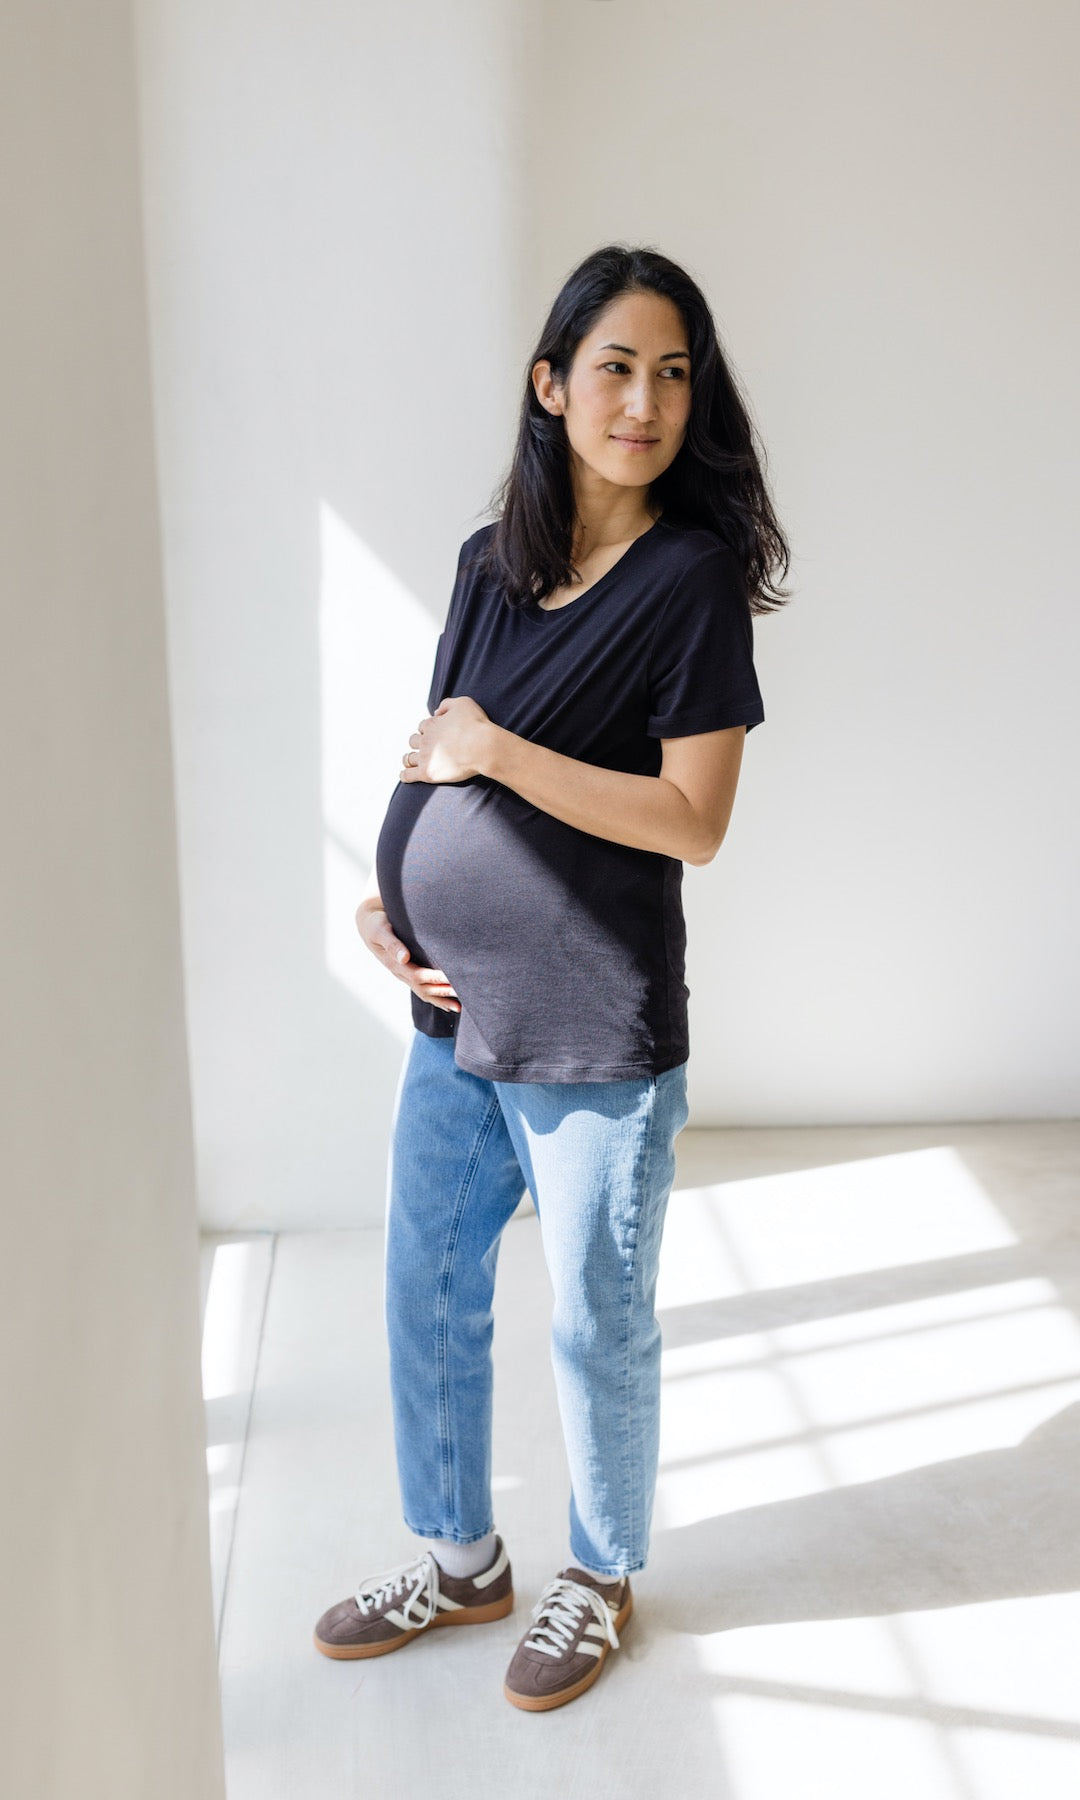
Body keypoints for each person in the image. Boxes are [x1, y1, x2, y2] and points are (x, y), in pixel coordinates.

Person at [313, 243, 790, 1711]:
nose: (643, 399)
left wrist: (499, 757)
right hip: (451, 1010)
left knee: (594, 1312)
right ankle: (460, 1563)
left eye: (671, 372)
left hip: (595, 1024)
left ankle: (598, 1574)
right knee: (424, 1283)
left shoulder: (691, 582)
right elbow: (432, 759)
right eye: (614, 367)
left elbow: (692, 822)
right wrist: (392, 901)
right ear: (551, 385)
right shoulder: (487, 565)